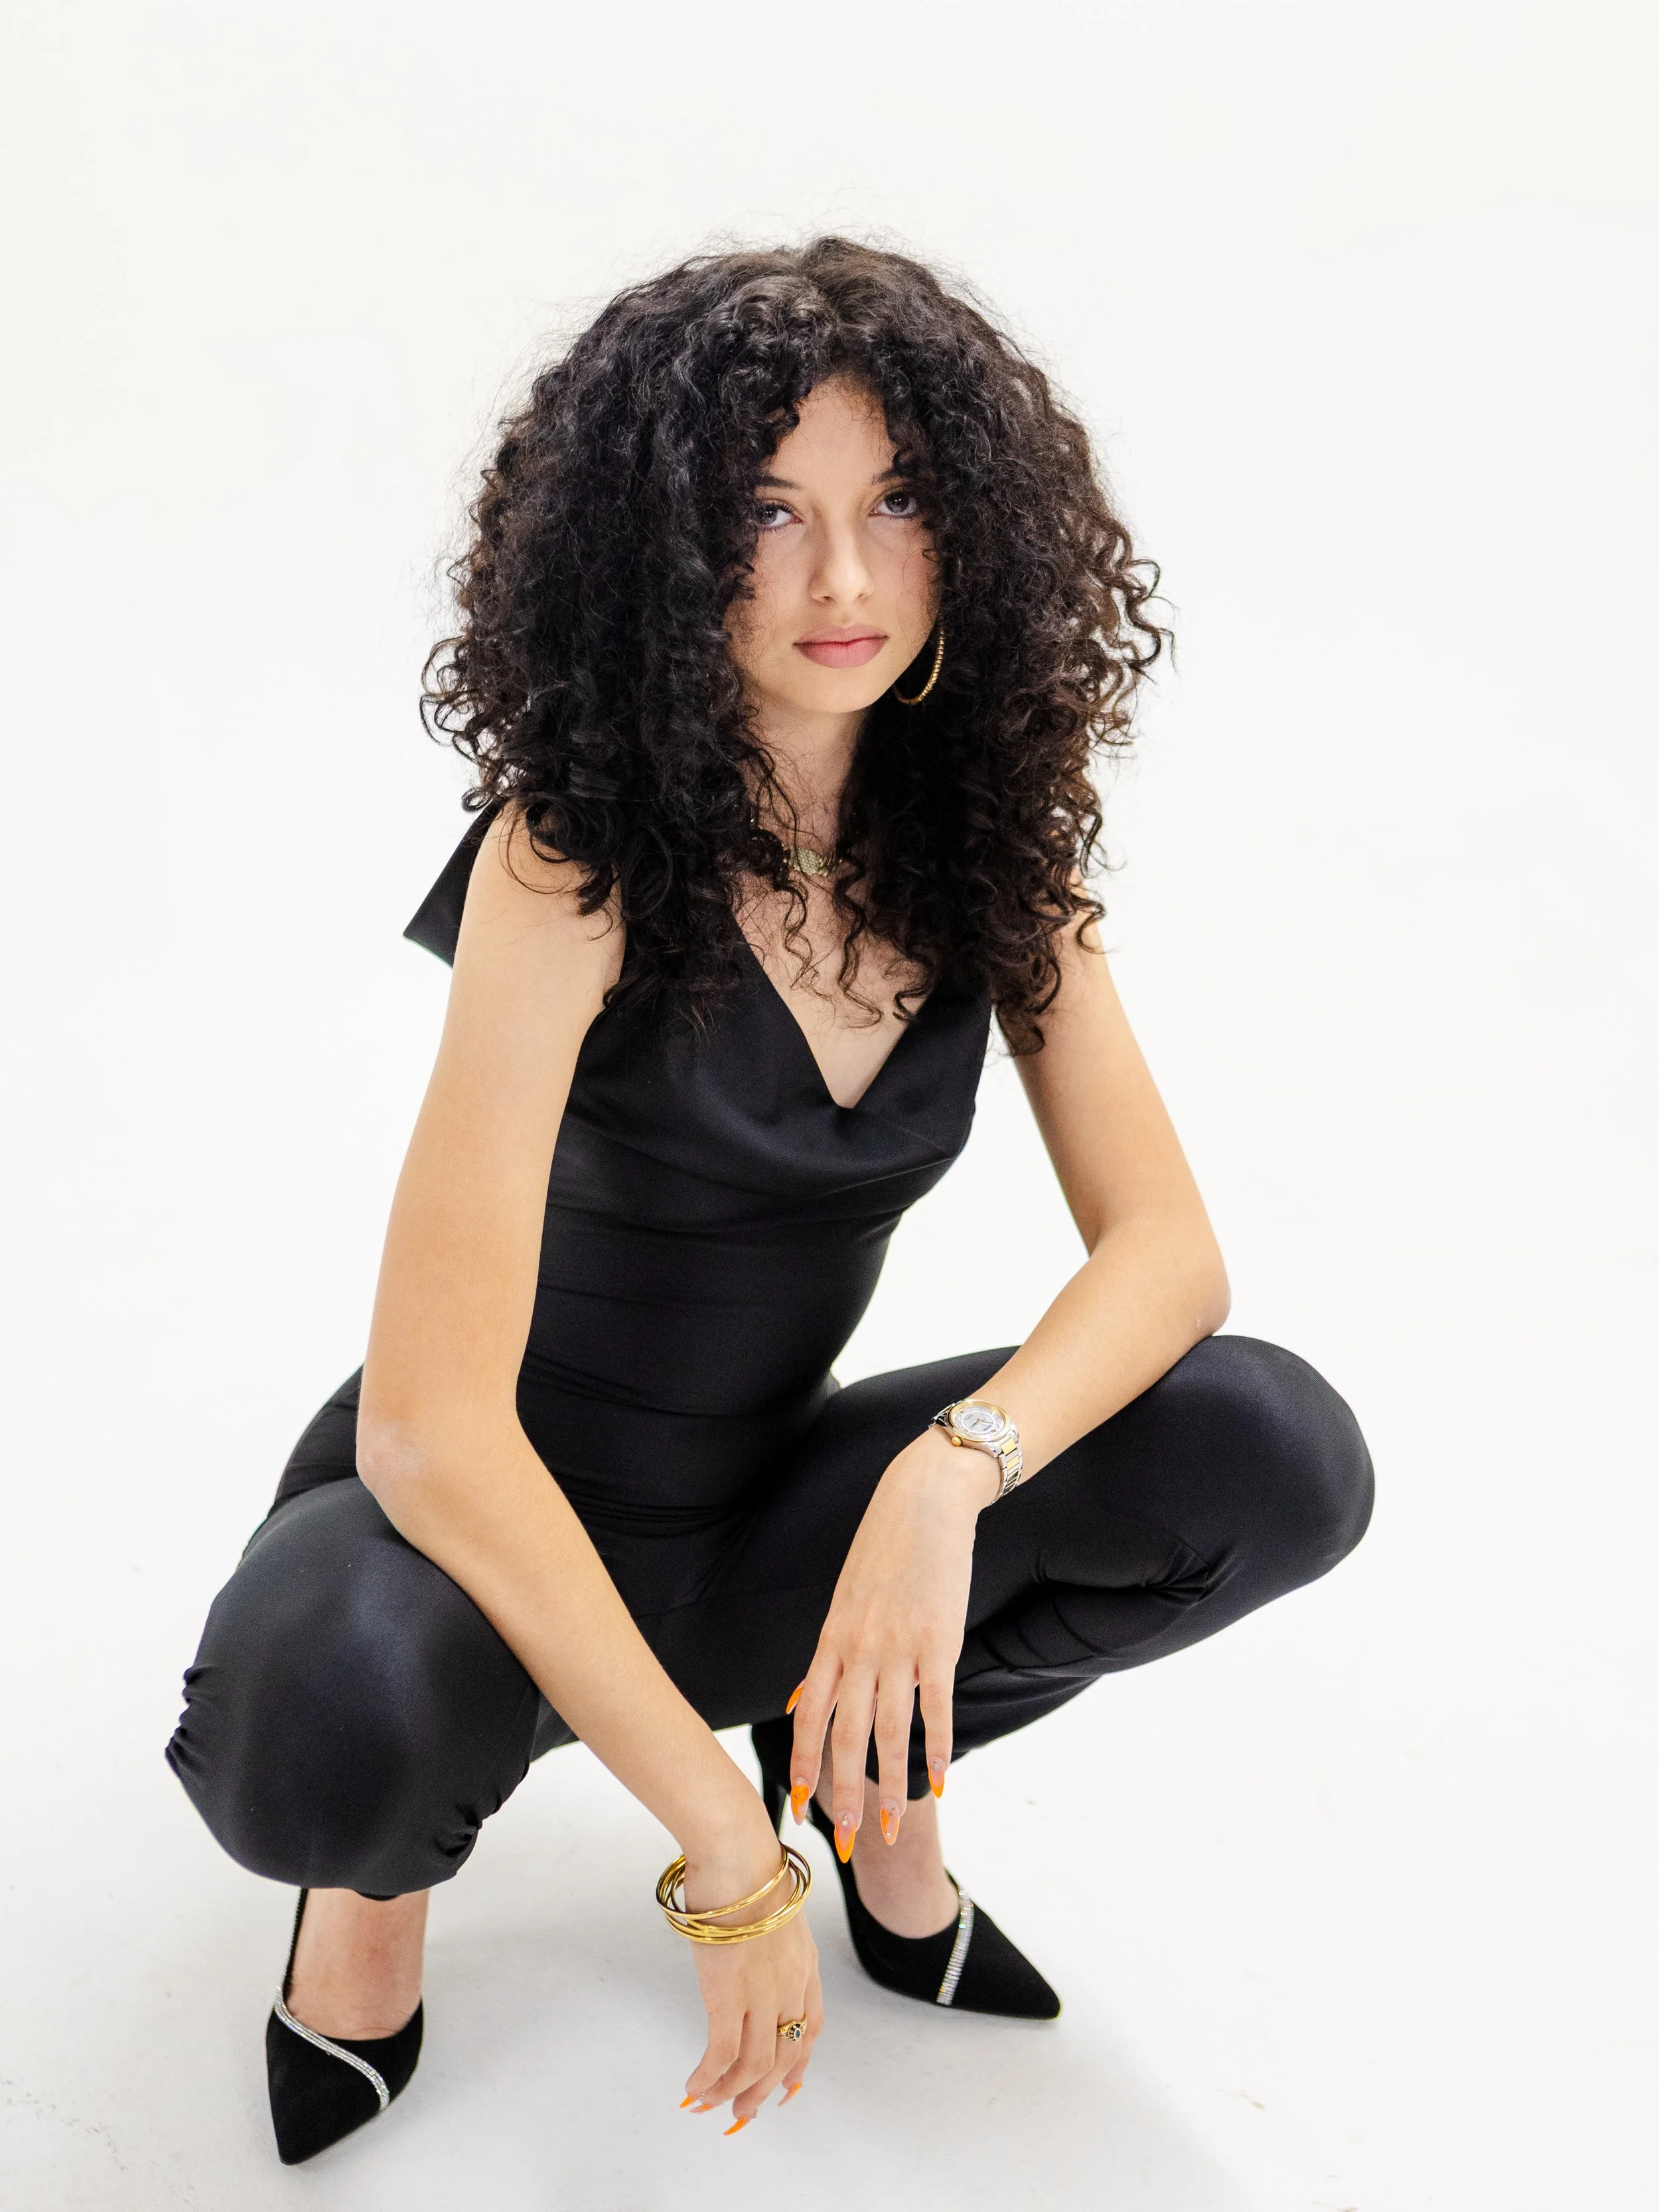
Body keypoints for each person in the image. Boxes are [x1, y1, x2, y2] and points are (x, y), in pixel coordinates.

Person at [166, 236, 1374, 2166]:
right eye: (769, 513)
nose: (840, 579)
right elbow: (429, 1426)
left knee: (1273, 1448)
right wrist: (725, 1861)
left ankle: (859, 1755)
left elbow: (1169, 1252)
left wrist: (937, 1477)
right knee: (326, 1733)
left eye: (894, 502)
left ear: (968, 525)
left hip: (768, 1515)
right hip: (478, 1537)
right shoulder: (567, 863)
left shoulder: (982, 849)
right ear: (658, 548)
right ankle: (375, 1898)